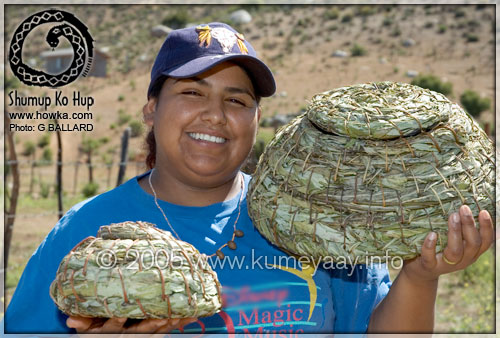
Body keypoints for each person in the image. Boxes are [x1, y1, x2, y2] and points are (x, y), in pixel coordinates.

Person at [4, 22, 494, 335]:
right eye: (193, 93)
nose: (215, 115)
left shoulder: (313, 221)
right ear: (152, 110)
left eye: (237, 100)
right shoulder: (85, 234)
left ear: (256, 121)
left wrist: (420, 275)